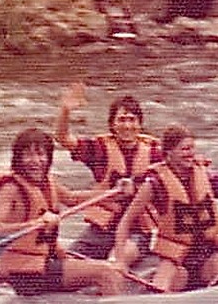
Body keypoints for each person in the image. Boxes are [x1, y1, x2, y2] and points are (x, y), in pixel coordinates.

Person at [113, 125, 218, 293]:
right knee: (160, 290)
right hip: (175, 257)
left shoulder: (207, 177)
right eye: (184, 149)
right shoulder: (154, 184)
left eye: (192, 148)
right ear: (169, 153)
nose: (190, 153)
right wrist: (120, 260)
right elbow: (125, 222)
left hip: (207, 253)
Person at [0, 128, 127, 296]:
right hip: (26, 273)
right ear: (18, 158)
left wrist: (114, 194)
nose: (35, 161)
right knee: (106, 272)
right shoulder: (11, 188)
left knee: (108, 268)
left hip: (43, 263)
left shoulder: (48, 183)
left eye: (41, 154)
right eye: (28, 155)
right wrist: (36, 223)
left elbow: (72, 198)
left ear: (48, 158)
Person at [54, 83, 158, 269]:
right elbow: (63, 138)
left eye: (132, 120)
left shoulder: (155, 154)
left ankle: (112, 278)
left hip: (137, 231)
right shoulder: (100, 150)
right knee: (64, 263)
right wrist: (65, 110)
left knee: (116, 259)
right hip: (102, 230)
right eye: (121, 120)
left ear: (140, 124)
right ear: (112, 124)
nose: (127, 125)